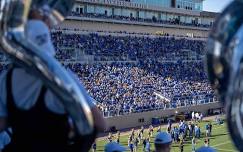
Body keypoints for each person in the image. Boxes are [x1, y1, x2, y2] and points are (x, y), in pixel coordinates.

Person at [0, 4, 106, 152]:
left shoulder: (5, 79)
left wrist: (25, 122)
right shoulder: (64, 76)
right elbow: (99, 123)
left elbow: (2, 123)